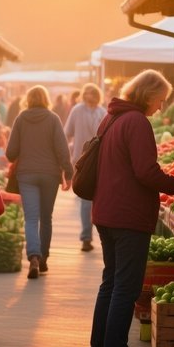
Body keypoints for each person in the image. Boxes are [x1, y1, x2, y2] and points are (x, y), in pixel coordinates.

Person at [89, 69, 174, 347]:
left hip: (106, 212)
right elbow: (146, 171)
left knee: (110, 284)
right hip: (128, 216)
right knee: (126, 287)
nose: (161, 107)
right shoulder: (137, 122)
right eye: (160, 100)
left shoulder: (111, 118)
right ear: (149, 95)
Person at [5, 85, 73, 279]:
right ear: (46, 99)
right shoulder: (53, 119)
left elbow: (10, 153)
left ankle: (33, 256)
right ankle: (43, 259)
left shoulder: (20, 119)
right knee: (46, 217)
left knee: (31, 218)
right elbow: (62, 149)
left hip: (26, 175)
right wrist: (68, 173)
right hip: (50, 175)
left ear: (28, 100)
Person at [64, 83, 107, 252]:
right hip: (97, 161)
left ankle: (87, 237)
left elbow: (67, 132)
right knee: (97, 199)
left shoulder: (77, 110)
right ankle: (92, 235)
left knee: (85, 200)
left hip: (81, 161)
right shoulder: (102, 112)